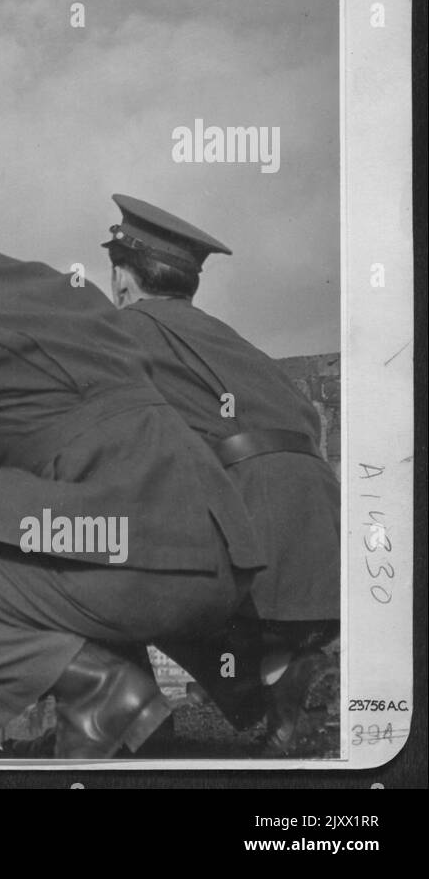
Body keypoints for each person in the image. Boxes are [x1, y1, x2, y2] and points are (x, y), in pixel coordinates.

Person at [0, 138, 266, 758]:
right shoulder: (58, 287)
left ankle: (100, 692)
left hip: (137, 568)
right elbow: (59, 435)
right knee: (53, 536)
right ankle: (136, 715)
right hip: (221, 555)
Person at [103, 195, 340, 755]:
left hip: (252, 560)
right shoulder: (235, 344)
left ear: (120, 279)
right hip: (323, 559)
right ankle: (276, 681)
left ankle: (136, 736)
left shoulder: (123, 331)